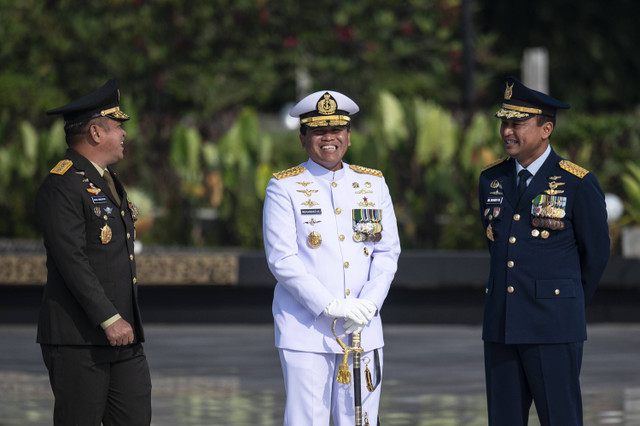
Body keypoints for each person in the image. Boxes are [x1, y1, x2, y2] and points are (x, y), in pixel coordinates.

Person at [263, 90, 401, 425]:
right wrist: (329, 305)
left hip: (362, 329)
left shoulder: (372, 183)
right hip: (307, 330)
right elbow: (283, 259)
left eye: (337, 130)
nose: (329, 138)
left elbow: (386, 250)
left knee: (361, 420)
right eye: (319, 131)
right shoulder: (285, 187)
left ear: (349, 137)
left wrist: (369, 303)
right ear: (303, 138)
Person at [478, 76, 610, 426]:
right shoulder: (491, 179)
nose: (507, 131)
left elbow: (596, 255)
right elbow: (497, 244)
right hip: (502, 325)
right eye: (504, 122)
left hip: (553, 325)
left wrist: (565, 302)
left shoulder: (576, 182)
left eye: (517, 123)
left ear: (546, 128)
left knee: (560, 418)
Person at [36, 79, 151, 425]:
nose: (124, 135)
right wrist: (109, 317)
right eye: (118, 127)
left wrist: (120, 320)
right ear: (96, 133)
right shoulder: (63, 183)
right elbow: (71, 259)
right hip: (79, 339)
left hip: (123, 337)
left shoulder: (108, 180)